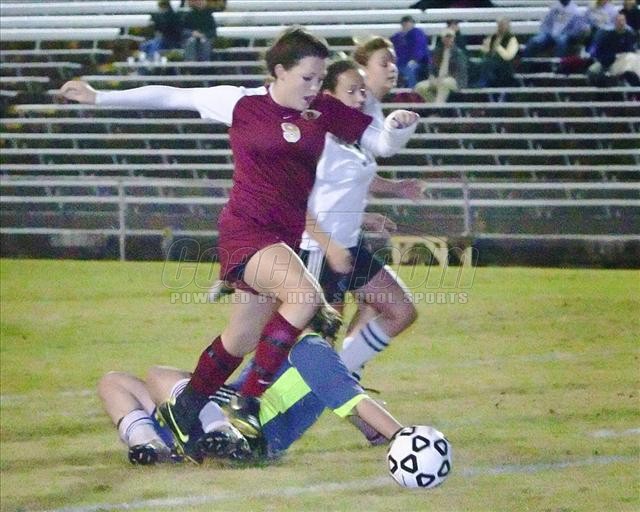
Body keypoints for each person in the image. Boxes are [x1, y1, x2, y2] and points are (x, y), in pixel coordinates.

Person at [61, 26, 419, 460]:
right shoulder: (241, 103)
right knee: (305, 296)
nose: (314, 87)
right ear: (279, 71)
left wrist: (398, 127)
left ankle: (187, 406)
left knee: (239, 339)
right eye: (306, 78)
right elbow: (172, 95)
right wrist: (100, 97)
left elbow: (380, 142)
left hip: (283, 239)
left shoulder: (323, 110)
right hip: (246, 231)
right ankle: (247, 402)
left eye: (319, 79)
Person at [301, 51, 422, 387]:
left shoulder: (353, 136)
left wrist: (388, 194)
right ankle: (283, 399)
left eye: (362, 91)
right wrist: (327, 244)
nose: (359, 98)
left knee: (400, 311)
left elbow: (348, 184)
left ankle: (343, 376)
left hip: (350, 246)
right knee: (318, 343)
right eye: (351, 91)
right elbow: (295, 201)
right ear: (328, 96)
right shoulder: (316, 138)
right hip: (319, 251)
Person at [98, 332, 404, 465]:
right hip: (227, 412)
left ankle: (219, 433)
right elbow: (355, 411)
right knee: (114, 382)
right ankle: (153, 447)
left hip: (247, 427)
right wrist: (377, 434)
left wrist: (404, 437)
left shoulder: (311, 349)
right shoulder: (294, 351)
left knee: (159, 376)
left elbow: (354, 401)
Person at [415, 28, 469, 104]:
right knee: (419, 87)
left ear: (453, 38)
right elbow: (431, 67)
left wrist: (444, 78)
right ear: (442, 38)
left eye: (450, 37)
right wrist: (432, 76)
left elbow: (461, 71)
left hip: (454, 80)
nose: (448, 39)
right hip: (438, 78)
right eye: (446, 37)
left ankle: (438, 105)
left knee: (444, 83)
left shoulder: (458, 53)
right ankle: (435, 104)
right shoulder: (436, 52)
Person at [587, 13, 639, 86]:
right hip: (609, 62)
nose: (621, 23)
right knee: (593, 71)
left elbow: (631, 50)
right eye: (619, 21)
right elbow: (601, 54)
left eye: (623, 20)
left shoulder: (629, 35)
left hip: (625, 62)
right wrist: (615, 56)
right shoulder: (606, 36)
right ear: (614, 22)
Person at [476, 18, 520, 88]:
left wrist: (498, 47)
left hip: (506, 68)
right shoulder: (493, 37)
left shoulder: (512, 39)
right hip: (492, 67)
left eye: (503, 25)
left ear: (508, 26)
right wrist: (486, 47)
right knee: (483, 63)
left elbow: (508, 56)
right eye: (499, 25)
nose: (501, 27)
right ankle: (482, 82)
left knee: (489, 63)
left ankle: (483, 82)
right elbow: (484, 52)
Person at [390, 16, 431, 88]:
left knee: (410, 68)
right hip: (401, 62)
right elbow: (394, 48)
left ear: (412, 24)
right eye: (404, 24)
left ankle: (413, 89)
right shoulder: (397, 37)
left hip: (419, 62)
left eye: (408, 23)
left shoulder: (418, 33)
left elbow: (419, 49)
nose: (406, 25)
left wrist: (415, 59)